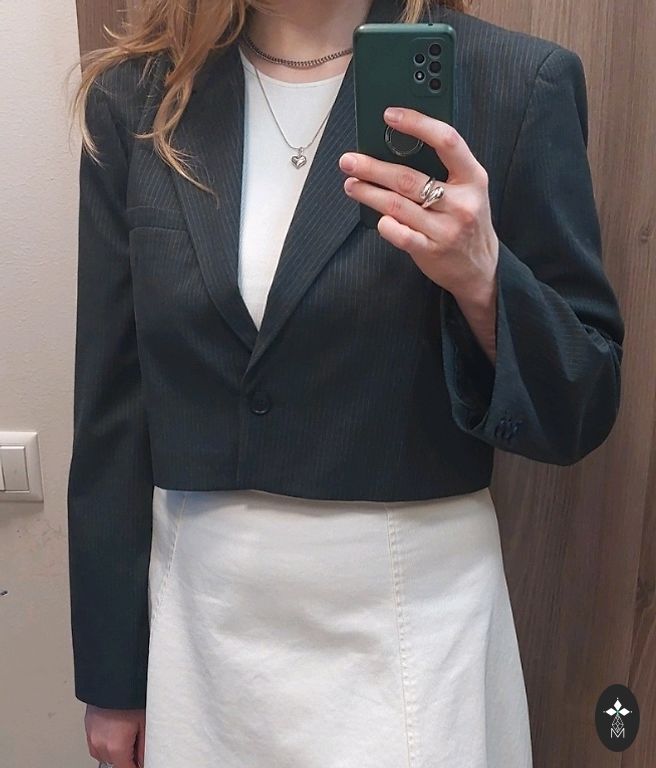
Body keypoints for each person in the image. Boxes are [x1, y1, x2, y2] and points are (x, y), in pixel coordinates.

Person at [67, 0, 624, 766]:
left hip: (412, 627)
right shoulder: (139, 98)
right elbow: (111, 406)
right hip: (201, 625)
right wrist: (112, 676)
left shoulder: (512, 84)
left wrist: (485, 279)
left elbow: (582, 403)